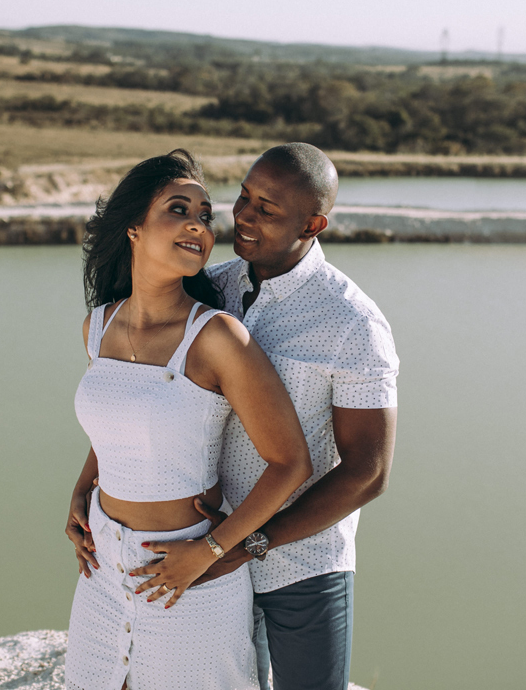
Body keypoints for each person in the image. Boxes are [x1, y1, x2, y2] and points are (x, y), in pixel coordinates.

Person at [63, 150, 313, 690]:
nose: (199, 226)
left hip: (188, 573)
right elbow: (119, 423)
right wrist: (81, 491)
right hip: (102, 564)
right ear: (133, 227)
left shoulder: (217, 337)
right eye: (179, 210)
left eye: (205, 216)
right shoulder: (97, 326)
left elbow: (291, 462)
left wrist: (211, 550)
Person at [188, 143, 400, 690]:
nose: (243, 215)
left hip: (303, 564)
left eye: (267, 209)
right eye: (244, 197)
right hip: (205, 550)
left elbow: (369, 472)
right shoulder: (209, 289)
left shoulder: (353, 322)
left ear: (313, 224)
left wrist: (251, 543)